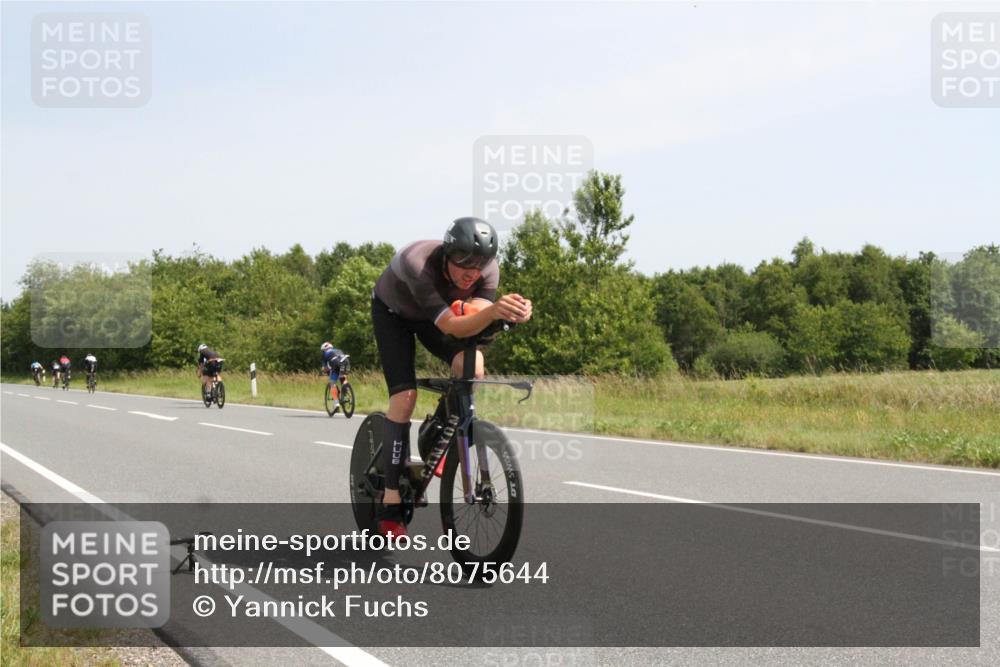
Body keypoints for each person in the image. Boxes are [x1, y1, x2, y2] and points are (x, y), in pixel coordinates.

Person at [370, 217, 532, 537]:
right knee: (405, 399)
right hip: (395, 314)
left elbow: (473, 318)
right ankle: (390, 502)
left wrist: (514, 312)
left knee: (473, 367)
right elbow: (451, 327)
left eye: (480, 263)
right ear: (447, 254)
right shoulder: (418, 264)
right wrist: (494, 311)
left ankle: (439, 431)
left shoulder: (488, 270)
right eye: (463, 262)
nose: (472, 271)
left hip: (435, 316)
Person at [320, 342, 347, 408]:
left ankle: (336, 403)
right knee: (343, 377)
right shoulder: (339, 350)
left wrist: (323, 371)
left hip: (335, 365)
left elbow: (325, 368)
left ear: (324, 349)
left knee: (332, 383)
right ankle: (346, 389)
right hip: (346, 362)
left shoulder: (325, 354)